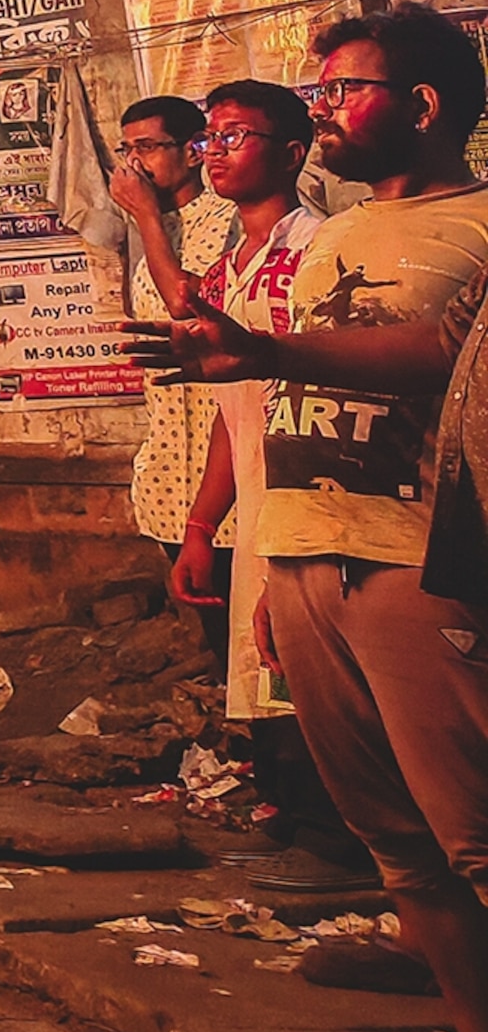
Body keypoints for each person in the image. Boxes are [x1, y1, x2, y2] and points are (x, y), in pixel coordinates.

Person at [134, 7, 488, 1032]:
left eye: (344, 91)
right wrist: (266, 559)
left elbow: (429, 354)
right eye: (319, 91)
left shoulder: (481, 221)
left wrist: (272, 349)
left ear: (422, 106)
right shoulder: (331, 242)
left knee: (473, 834)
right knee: (398, 846)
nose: (324, 107)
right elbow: (271, 388)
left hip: (420, 561)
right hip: (306, 558)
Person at [160, 79, 361, 893]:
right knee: (267, 673)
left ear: (291, 149)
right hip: (255, 488)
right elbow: (230, 407)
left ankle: (344, 850)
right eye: (210, 137)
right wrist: (203, 526)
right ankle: (301, 829)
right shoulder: (231, 263)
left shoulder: (314, 248)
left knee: (315, 681)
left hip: (308, 490)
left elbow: (307, 391)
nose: (216, 152)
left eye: (236, 135)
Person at [87, 96, 239, 560]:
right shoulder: (152, 226)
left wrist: (147, 216)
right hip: (168, 477)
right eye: (127, 150)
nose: (135, 163)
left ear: (194, 150)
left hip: (229, 483)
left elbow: (184, 304)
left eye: (148, 147)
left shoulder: (227, 218)